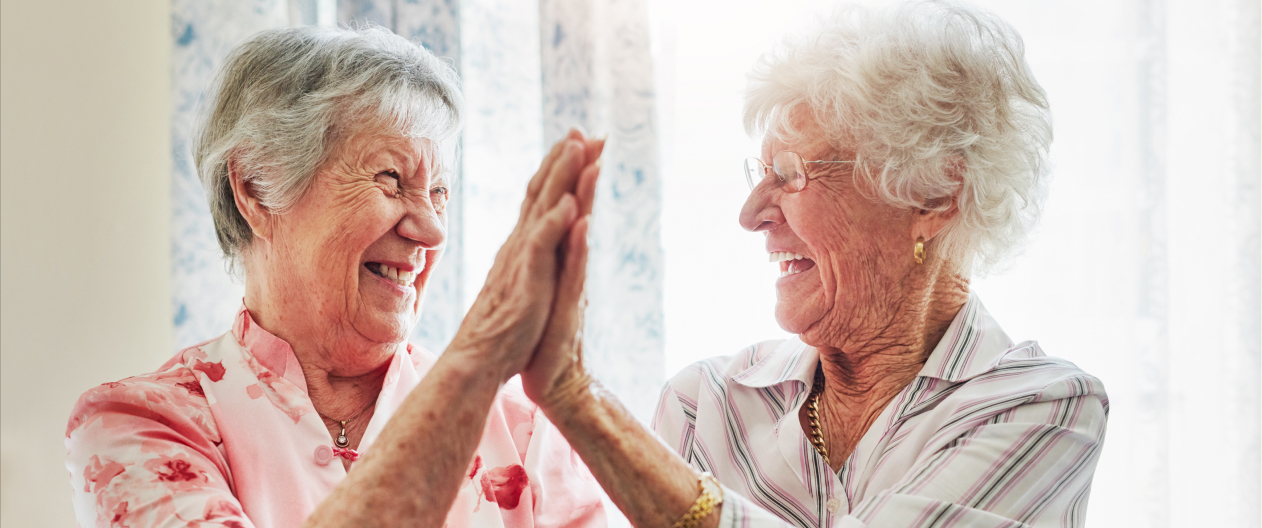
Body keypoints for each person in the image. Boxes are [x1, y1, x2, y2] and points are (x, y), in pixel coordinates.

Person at [518, 2, 1109, 527]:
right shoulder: (707, 406)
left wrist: (581, 402)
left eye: (792, 173)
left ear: (933, 195)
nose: (752, 214)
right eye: (761, 173)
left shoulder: (1043, 408)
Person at [65, 26, 608, 527]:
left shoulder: (526, 434)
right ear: (255, 189)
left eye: (439, 192)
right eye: (391, 179)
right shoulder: (140, 425)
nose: (431, 230)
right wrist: (476, 361)